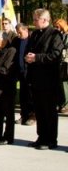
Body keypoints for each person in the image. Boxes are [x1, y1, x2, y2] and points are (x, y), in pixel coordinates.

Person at [25, 9, 63, 150]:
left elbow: (55, 55)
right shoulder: (35, 34)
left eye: (35, 20)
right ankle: (41, 137)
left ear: (44, 20)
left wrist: (36, 58)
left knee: (49, 111)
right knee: (39, 110)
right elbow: (29, 49)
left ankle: (51, 139)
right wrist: (28, 57)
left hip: (49, 79)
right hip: (35, 79)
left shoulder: (54, 34)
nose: (33, 22)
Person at [12, 23, 35, 125]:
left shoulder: (32, 40)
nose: (18, 34)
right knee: (23, 96)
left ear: (26, 30)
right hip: (20, 72)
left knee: (31, 95)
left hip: (30, 72)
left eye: (20, 32)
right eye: (17, 32)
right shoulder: (16, 41)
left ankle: (32, 116)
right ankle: (23, 115)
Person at [54, 18, 68, 113]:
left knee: (65, 83)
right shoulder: (60, 35)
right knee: (60, 84)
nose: (56, 28)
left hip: (66, 62)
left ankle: (65, 104)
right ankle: (61, 103)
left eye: (58, 26)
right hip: (61, 62)